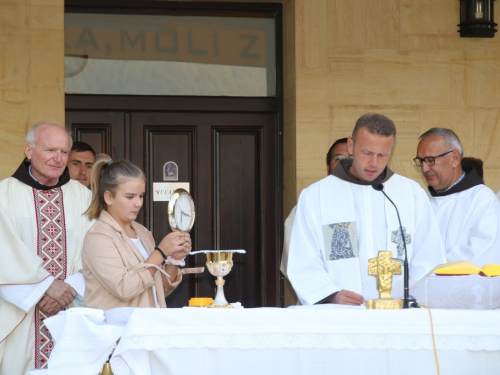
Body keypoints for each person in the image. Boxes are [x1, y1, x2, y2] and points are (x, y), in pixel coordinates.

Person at [287, 113, 446, 306]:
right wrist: (331, 294)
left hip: (398, 314)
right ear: (351, 146)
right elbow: (303, 259)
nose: (374, 163)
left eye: (382, 155)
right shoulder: (317, 196)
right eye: (367, 153)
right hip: (340, 314)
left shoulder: (410, 194)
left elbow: (428, 255)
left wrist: (413, 296)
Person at [0, 123, 93, 374]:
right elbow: (4, 253)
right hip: (20, 315)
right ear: (28, 150)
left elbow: (97, 251)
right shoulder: (3, 195)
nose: (58, 158)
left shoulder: (84, 198)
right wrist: (44, 287)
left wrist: (71, 286)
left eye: (64, 152)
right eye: (50, 149)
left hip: (71, 309)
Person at [82, 154, 192, 310]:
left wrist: (174, 259)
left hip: (147, 328)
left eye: (141, 196)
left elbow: (156, 290)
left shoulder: (142, 232)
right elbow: (125, 288)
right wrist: (160, 252)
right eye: (130, 197)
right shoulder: (98, 237)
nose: (138, 203)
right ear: (108, 197)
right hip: (116, 331)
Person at [415, 128, 500, 266]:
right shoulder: (422, 202)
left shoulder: (483, 200)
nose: (424, 168)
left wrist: (430, 265)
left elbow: (486, 250)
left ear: (455, 158)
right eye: (421, 161)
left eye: (430, 160)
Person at [280, 138, 351, 280]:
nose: (345, 162)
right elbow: (295, 256)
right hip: (325, 298)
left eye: (352, 158)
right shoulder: (312, 202)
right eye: (338, 158)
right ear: (328, 166)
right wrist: (328, 293)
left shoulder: (376, 202)